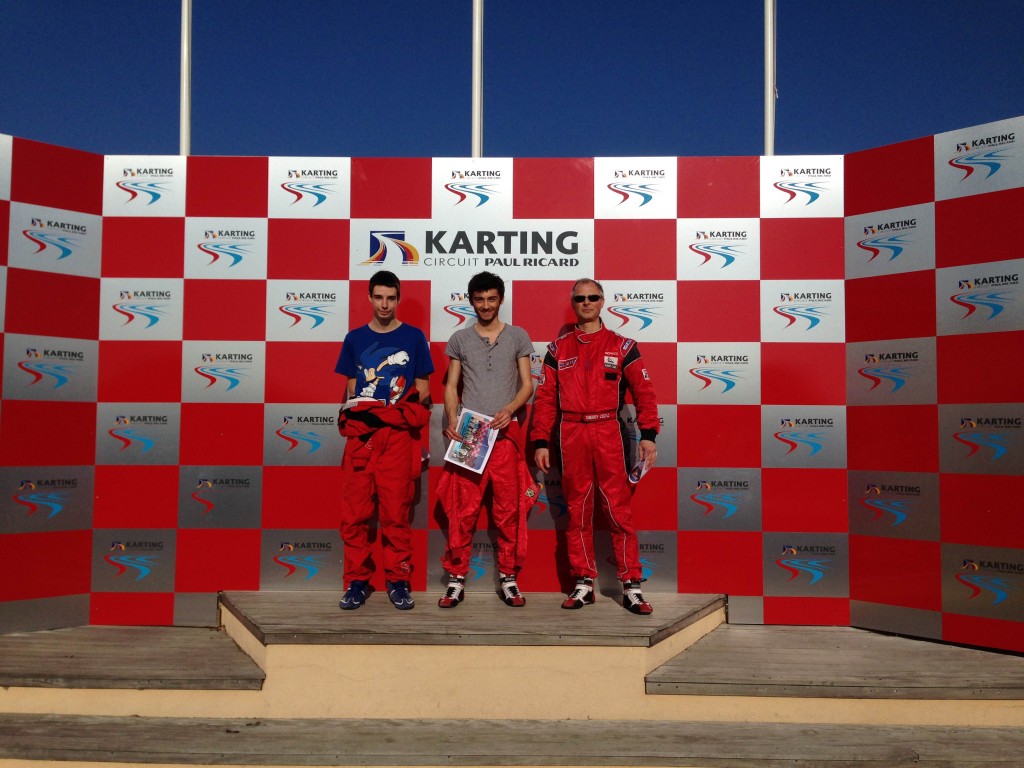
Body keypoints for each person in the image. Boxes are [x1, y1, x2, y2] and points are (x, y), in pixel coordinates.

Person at [530, 278, 659, 615]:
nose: (586, 302)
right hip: (571, 433)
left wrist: (648, 434)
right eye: (579, 298)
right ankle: (583, 583)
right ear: (573, 304)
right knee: (577, 511)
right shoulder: (558, 349)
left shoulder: (623, 345)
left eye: (592, 297)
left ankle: (631, 585)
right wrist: (540, 440)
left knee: (618, 511)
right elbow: (544, 399)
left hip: (608, 431)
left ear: (603, 302)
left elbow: (644, 393)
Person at [437, 272, 537, 608]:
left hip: (506, 433)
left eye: (492, 299)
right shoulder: (460, 339)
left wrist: (510, 409)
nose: (486, 306)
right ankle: (456, 578)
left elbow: (528, 384)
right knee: (462, 512)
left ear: (501, 299)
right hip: (471, 433)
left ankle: (509, 578)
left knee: (508, 511)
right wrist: (453, 419)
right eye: (479, 300)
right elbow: (451, 386)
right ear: (471, 300)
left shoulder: (518, 336)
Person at [334, 270, 433, 611]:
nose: (385, 304)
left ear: (398, 298)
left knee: (396, 513)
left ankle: (398, 580)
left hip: (397, 437)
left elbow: (423, 390)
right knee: (355, 514)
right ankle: (357, 582)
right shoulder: (354, 339)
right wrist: (371, 409)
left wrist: (388, 410)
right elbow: (351, 388)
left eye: (391, 298)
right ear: (369, 298)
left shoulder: (415, 337)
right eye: (379, 297)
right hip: (363, 436)